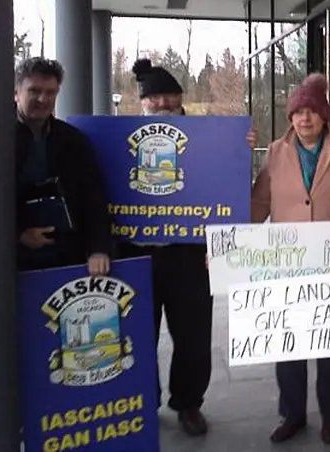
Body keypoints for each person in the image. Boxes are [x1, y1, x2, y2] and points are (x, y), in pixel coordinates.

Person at [251, 73, 330, 445]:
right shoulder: (276, 152)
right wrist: (229, 244)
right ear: (290, 117)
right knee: (289, 343)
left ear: (324, 115)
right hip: (288, 263)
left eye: (312, 111)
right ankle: (291, 414)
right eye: (298, 112)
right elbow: (260, 202)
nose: (305, 119)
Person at [116, 59, 212, 436]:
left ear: (180, 97)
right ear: (141, 102)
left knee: (193, 334)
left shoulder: (209, 136)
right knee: (138, 333)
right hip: (136, 253)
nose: (159, 103)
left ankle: (189, 403)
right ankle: (143, 401)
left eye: (166, 95)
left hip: (187, 252)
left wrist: (240, 147)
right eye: (151, 97)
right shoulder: (120, 139)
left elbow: (225, 179)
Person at [15, 57, 111, 276]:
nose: (43, 99)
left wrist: (99, 249)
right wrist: (19, 234)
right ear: (16, 92)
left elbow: (93, 197)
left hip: (66, 256)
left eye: (51, 93)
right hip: (12, 262)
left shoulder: (73, 140)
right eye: (34, 91)